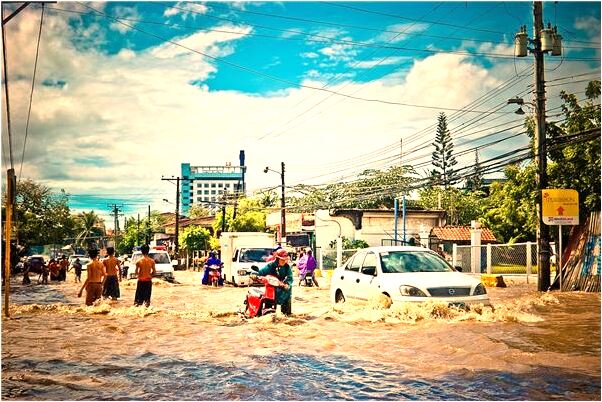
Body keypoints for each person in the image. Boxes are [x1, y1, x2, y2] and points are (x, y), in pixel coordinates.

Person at [253, 248, 293, 315]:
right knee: (268, 306)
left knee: (287, 314)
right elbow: (261, 272)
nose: (284, 261)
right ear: (277, 259)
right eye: (282, 260)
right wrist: (254, 274)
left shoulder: (287, 267)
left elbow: (290, 277)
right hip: (271, 287)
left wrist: (287, 284)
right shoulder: (270, 265)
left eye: (285, 260)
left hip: (283, 288)